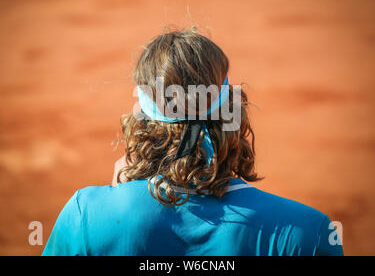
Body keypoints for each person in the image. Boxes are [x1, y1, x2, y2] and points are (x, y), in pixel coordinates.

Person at [42, 29, 343, 256]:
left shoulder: (85, 217)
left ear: (142, 122)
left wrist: (112, 204)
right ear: (233, 112)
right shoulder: (307, 233)